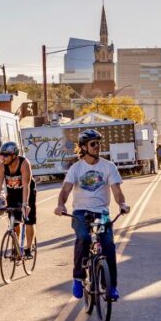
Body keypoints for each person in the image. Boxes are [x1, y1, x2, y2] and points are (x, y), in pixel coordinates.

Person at [54, 129, 130, 301]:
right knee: (84, 238)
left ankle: (110, 287)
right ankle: (78, 278)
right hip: (81, 211)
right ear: (84, 147)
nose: (97, 147)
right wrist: (61, 205)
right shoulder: (76, 168)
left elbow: (117, 191)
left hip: (101, 211)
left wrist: (122, 204)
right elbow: (65, 190)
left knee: (108, 245)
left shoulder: (108, 166)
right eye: (93, 144)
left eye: (99, 143)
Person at [0, 142, 36, 260]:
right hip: (12, 194)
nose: (3, 158)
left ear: (14, 155)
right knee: (14, 222)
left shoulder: (24, 163)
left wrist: (25, 205)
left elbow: (26, 186)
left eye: (6, 155)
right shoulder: (2, 166)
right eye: (1, 155)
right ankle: (16, 248)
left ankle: (28, 248)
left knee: (28, 221)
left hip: (27, 192)